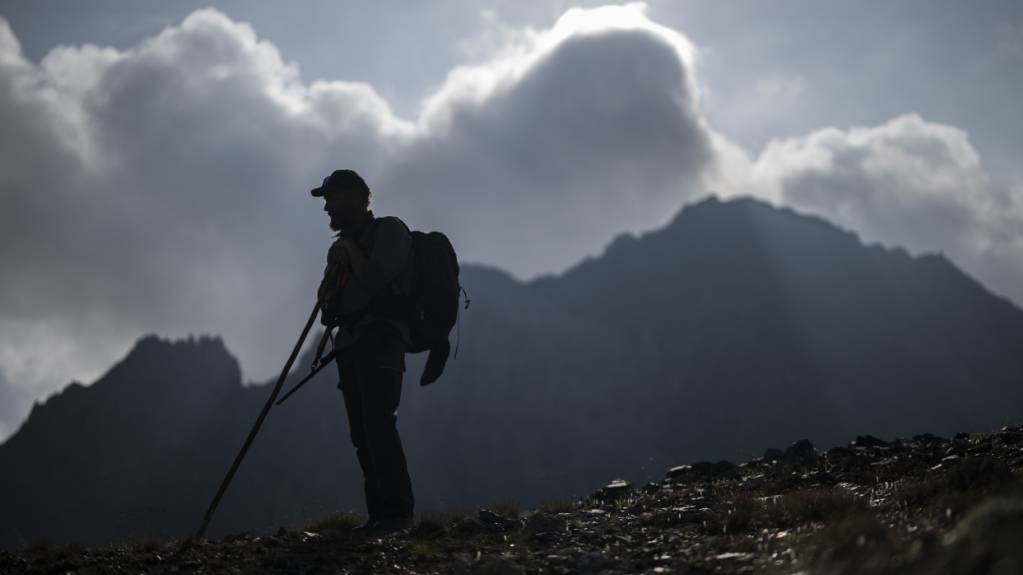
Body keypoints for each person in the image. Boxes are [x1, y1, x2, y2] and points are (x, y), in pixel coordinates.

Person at [312, 169, 416, 535]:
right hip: (350, 344)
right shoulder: (343, 245)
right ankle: (379, 517)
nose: (327, 208)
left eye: (332, 198)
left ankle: (398, 515)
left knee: (378, 424)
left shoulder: (390, 231)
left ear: (356, 197)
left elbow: (374, 280)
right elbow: (326, 305)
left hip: (381, 339)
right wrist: (333, 274)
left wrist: (350, 254)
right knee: (362, 434)